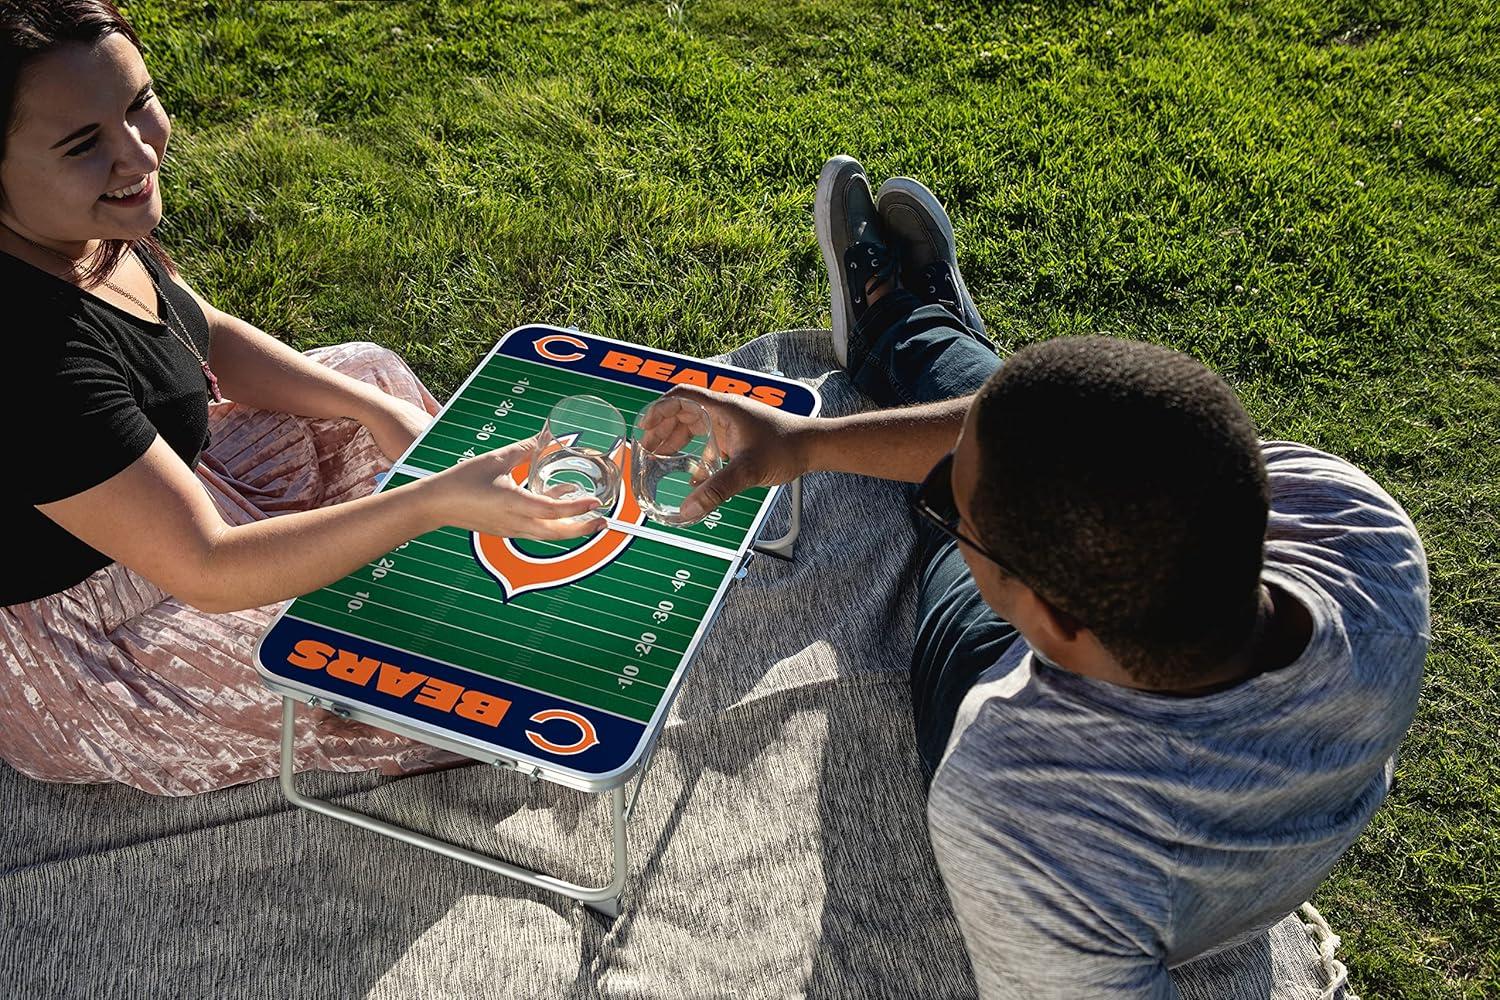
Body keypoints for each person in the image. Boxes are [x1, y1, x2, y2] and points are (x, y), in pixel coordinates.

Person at [663, 154, 1429, 997]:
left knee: (984, 473)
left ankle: (912, 330)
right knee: (1034, 428)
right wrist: (801, 444)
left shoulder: (1020, 805)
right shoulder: (1359, 525)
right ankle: (918, 332)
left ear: (1049, 620)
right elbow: (1077, 440)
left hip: (1004, 686)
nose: (945, 514)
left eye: (955, 517)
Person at [0, 0, 601, 796]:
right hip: (102, 641)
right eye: (84, 144)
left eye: (139, 102)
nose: (138, 150)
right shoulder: (26, 353)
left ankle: (457, 540)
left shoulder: (75, 226)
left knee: (368, 375)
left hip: (180, 496)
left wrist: (375, 411)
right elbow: (208, 567)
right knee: (427, 676)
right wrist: (427, 504)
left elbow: (195, 329)